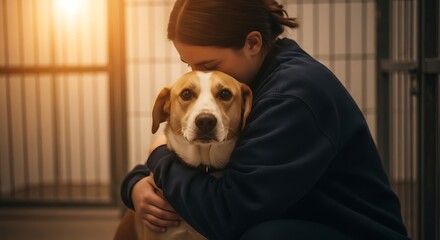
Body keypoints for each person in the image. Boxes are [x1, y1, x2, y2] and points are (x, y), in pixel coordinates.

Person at [119, 0, 410, 239]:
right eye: (189, 65)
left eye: (209, 65)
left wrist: (159, 156)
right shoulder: (260, 76)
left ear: (253, 43)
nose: (200, 75)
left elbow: (229, 214)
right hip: (303, 216)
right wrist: (134, 184)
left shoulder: (291, 96)